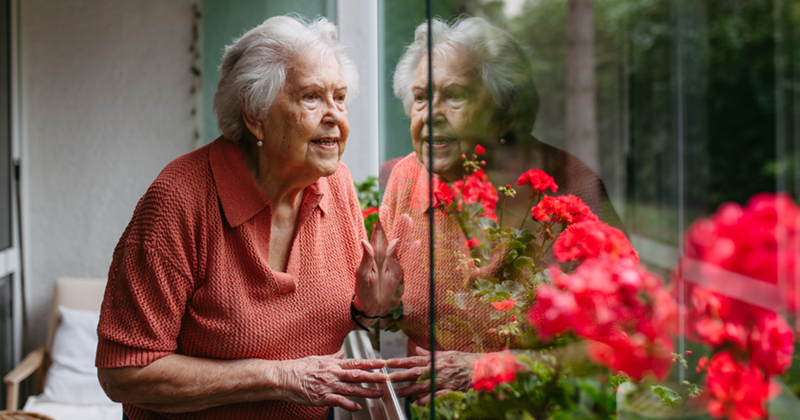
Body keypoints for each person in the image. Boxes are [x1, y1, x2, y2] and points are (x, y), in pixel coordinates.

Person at [95, 16, 403, 420]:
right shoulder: (178, 201)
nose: (334, 116)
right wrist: (281, 378)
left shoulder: (337, 184)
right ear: (255, 114)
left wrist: (368, 306)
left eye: (340, 97)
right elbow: (125, 373)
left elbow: (327, 315)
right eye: (312, 97)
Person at [380, 17, 623, 402]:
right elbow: (385, 308)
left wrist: (484, 369)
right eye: (422, 98)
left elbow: (621, 346)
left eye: (454, 95)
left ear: (505, 114)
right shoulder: (406, 179)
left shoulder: (574, 191)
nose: (430, 115)